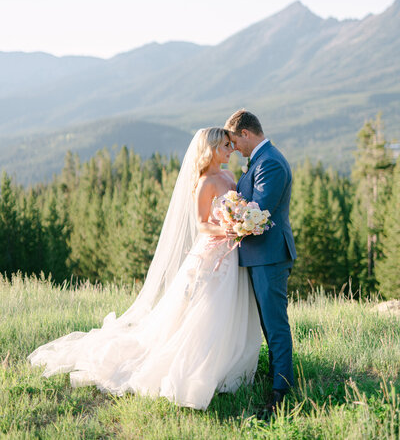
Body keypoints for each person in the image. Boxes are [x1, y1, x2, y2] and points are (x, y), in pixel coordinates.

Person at [28, 128, 262, 411]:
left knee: (227, 309)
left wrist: (240, 222)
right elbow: (202, 224)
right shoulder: (204, 182)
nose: (231, 149)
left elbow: (234, 207)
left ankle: (227, 363)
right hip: (212, 252)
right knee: (206, 310)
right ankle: (198, 368)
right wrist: (228, 229)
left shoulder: (228, 175)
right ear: (211, 149)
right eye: (226, 145)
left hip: (230, 254)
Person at [224, 110, 297, 413]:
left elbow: (259, 213)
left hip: (269, 256)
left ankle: (281, 390)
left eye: (234, 141)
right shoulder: (260, 160)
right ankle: (276, 376)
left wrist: (230, 223)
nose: (234, 148)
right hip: (259, 255)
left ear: (245, 133)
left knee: (275, 323)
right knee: (267, 323)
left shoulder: (270, 163)